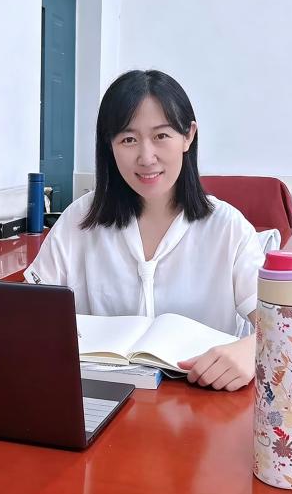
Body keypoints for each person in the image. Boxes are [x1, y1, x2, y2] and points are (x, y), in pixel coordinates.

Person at [24, 70, 264, 391]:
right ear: (109, 145)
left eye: (161, 136)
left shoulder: (228, 228)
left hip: (204, 401)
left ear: (188, 136)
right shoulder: (79, 220)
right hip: (98, 398)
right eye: (128, 139)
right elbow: (27, 317)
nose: (146, 157)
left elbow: (284, 330)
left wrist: (253, 350)